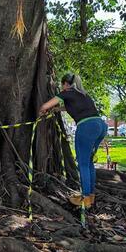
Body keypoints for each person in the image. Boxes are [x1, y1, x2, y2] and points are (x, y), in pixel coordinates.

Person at [39, 73, 107, 208]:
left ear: (65, 84)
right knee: (88, 162)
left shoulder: (66, 92)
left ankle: (85, 198)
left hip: (87, 127)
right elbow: (71, 107)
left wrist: (42, 110)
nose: (61, 87)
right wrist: (58, 109)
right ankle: (90, 196)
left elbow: (45, 106)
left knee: (82, 164)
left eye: (61, 85)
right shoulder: (83, 94)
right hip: (100, 126)